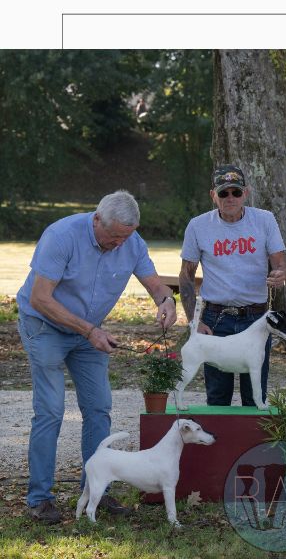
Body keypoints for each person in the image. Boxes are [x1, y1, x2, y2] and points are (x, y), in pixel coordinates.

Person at [17, 190, 177, 523]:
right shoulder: (62, 236)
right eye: (114, 236)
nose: (120, 243)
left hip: (89, 332)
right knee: (50, 410)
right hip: (44, 325)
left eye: (126, 236)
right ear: (97, 219)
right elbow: (40, 298)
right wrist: (90, 331)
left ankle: (95, 490)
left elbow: (156, 285)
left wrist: (166, 301)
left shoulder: (131, 243)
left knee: (99, 407)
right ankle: (40, 498)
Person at [179, 165, 286, 407]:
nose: (230, 198)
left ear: (246, 193)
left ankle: (255, 445)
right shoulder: (198, 226)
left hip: (256, 318)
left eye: (236, 193)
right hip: (216, 319)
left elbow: (281, 264)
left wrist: (280, 275)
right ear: (213, 195)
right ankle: (218, 444)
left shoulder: (264, 220)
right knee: (218, 397)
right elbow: (186, 276)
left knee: (255, 395)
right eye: (224, 193)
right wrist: (194, 322)